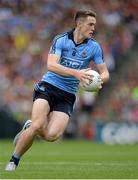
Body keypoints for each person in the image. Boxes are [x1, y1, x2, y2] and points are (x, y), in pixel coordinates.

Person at [5, 10, 109, 171]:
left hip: (67, 95)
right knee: (38, 124)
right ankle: (13, 162)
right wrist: (77, 73)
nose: (93, 28)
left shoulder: (94, 47)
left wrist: (99, 80)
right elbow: (51, 65)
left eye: (94, 25)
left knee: (52, 136)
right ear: (79, 24)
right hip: (48, 87)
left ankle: (30, 127)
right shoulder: (61, 40)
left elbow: (105, 72)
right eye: (90, 24)